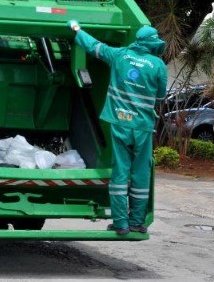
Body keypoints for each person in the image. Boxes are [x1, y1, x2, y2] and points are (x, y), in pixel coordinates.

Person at [67, 20, 167, 235]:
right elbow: (160, 96)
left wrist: (76, 29)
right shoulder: (158, 66)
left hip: (120, 123)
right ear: (153, 44)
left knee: (120, 172)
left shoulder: (120, 55)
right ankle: (136, 222)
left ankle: (120, 223)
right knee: (141, 173)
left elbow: (94, 46)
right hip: (142, 127)